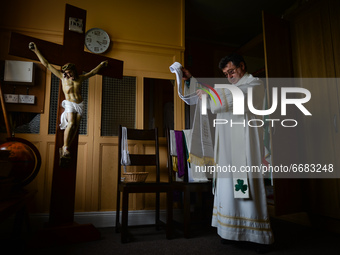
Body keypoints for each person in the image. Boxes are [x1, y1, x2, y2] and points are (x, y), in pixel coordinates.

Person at [191, 53, 274, 250]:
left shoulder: (254, 84)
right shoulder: (233, 87)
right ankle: (230, 231)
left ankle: (254, 234)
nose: (229, 76)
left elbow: (225, 100)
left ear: (242, 66)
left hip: (244, 145)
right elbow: (217, 104)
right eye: (226, 74)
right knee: (227, 187)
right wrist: (199, 89)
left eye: (232, 71)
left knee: (245, 189)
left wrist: (209, 93)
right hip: (227, 147)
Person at [29, 42, 108, 159]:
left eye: (69, 72)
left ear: (73, 71)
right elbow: (47, 64)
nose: (67, 74)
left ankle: (67, 147)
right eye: (66, 73)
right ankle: (65, 147)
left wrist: (101, 65)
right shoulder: (62, 78)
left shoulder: (80, 78)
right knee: (71, 123)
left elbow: (93, 72)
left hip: (80, 104)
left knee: (76, 126)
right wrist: (35, 50)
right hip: (70, 104)